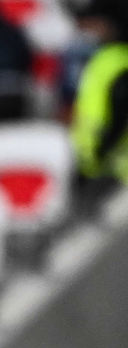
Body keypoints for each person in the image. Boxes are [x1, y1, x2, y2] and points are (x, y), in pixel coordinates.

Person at [70, 0, 128, 203]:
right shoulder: (104, 59)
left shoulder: (119, 62)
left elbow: (120, 117)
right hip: (97, 168)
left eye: (98, 24)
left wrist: (101, 154)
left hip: (115, 175)